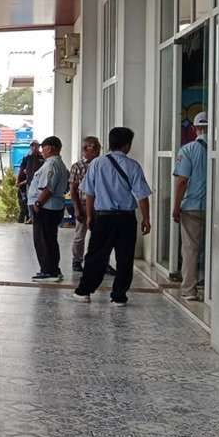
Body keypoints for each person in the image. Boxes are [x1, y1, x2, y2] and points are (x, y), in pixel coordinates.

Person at [73, 127, 152, 306]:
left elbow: (89, 193)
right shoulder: (133, 166)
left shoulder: (97, 164)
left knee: (96, 256)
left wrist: (90, 215)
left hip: (103, 217)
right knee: (125, 257)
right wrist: (146, 219)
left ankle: (84, 291)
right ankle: (119, 296)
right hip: (126, 219)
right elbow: (142, 196)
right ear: (127, 145)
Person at [172, 111, 209, 301]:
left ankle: (189, 290)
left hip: (192, 207)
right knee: (214, 248)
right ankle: (212, 286)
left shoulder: (187, 150)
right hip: (216, 209)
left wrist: (176, 206)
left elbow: (181, 182)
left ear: (194, 129)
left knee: (190, 249)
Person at [29, 136, 70, 282]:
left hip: (47, 208)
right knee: (50, 239)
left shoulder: (52, 164)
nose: (42, 151)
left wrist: (38, 203)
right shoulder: (55, 163)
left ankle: (49, 271)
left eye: (43, 147)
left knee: (44, 240)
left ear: (51, 148)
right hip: (52, 207)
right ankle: (52, 269)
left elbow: (48, 188)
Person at [69, 136, 102, 272]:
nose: (96, 150)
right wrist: (77, 208)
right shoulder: (78, 167)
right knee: (79, 236)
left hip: (100, 206)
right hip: (83, 204)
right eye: (92, 147)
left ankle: (100, 262)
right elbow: (73, 189)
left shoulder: (102, 165)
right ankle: (77, 260)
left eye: (97, 147)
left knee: (100, 236)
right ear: (84, 149)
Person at [17, 140, 43, 224]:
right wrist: (18, 179)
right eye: (33, 146)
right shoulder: (27, 157)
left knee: (39, 200)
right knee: (30, 200)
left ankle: (39, 217)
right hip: (29, 182)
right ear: (31, 147)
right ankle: (31, 217)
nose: (35, 148)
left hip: (40, 182)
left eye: (37, 146)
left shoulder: (42, 157)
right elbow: (21, 169)